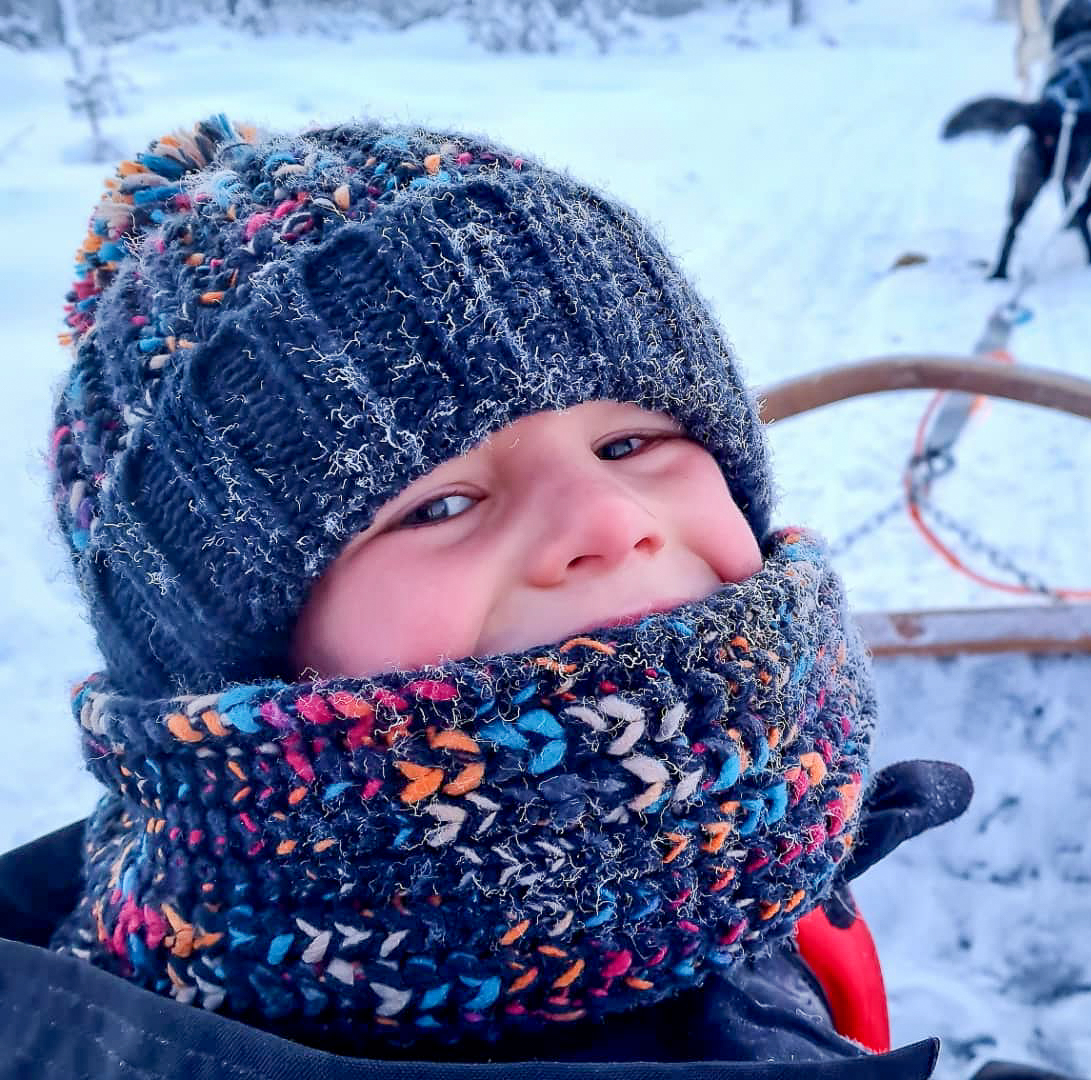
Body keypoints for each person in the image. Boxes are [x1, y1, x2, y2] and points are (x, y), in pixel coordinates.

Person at [0, 116, 988, 1080]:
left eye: (630, 443)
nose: (608, 519)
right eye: (441, 504)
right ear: (225, 666)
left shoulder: (740, 846)